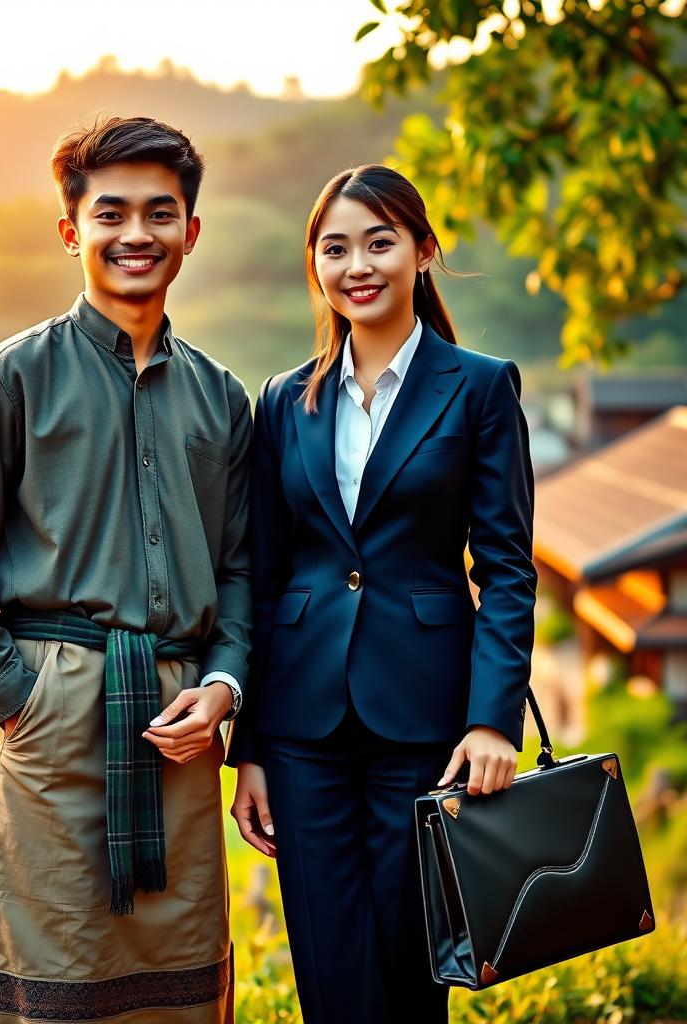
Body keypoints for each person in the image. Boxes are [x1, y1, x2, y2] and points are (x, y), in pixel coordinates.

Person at [0, 115, 252, 1024]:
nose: (135, 234)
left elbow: (243, 567)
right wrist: (17, 693)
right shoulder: (11, 377)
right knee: (50, 975)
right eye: (111, 214)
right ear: (73, 231)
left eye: (160, 212)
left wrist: (222, 687)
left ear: (191, 230)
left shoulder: (222, 398)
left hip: (181, 717)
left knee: (180, 982)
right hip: (52, 716)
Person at [226, 164, 538, 1024]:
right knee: (329, 966)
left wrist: (490, 720)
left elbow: (507, 566)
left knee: (411, 963)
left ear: (423, 251)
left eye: (379, 241)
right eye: (335, 249)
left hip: (426, 722)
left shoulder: (478, 386)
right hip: (301, 728)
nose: (357, 265)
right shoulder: (285, 400)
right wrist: (248, 746)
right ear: (315, 267)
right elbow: (265, 573)